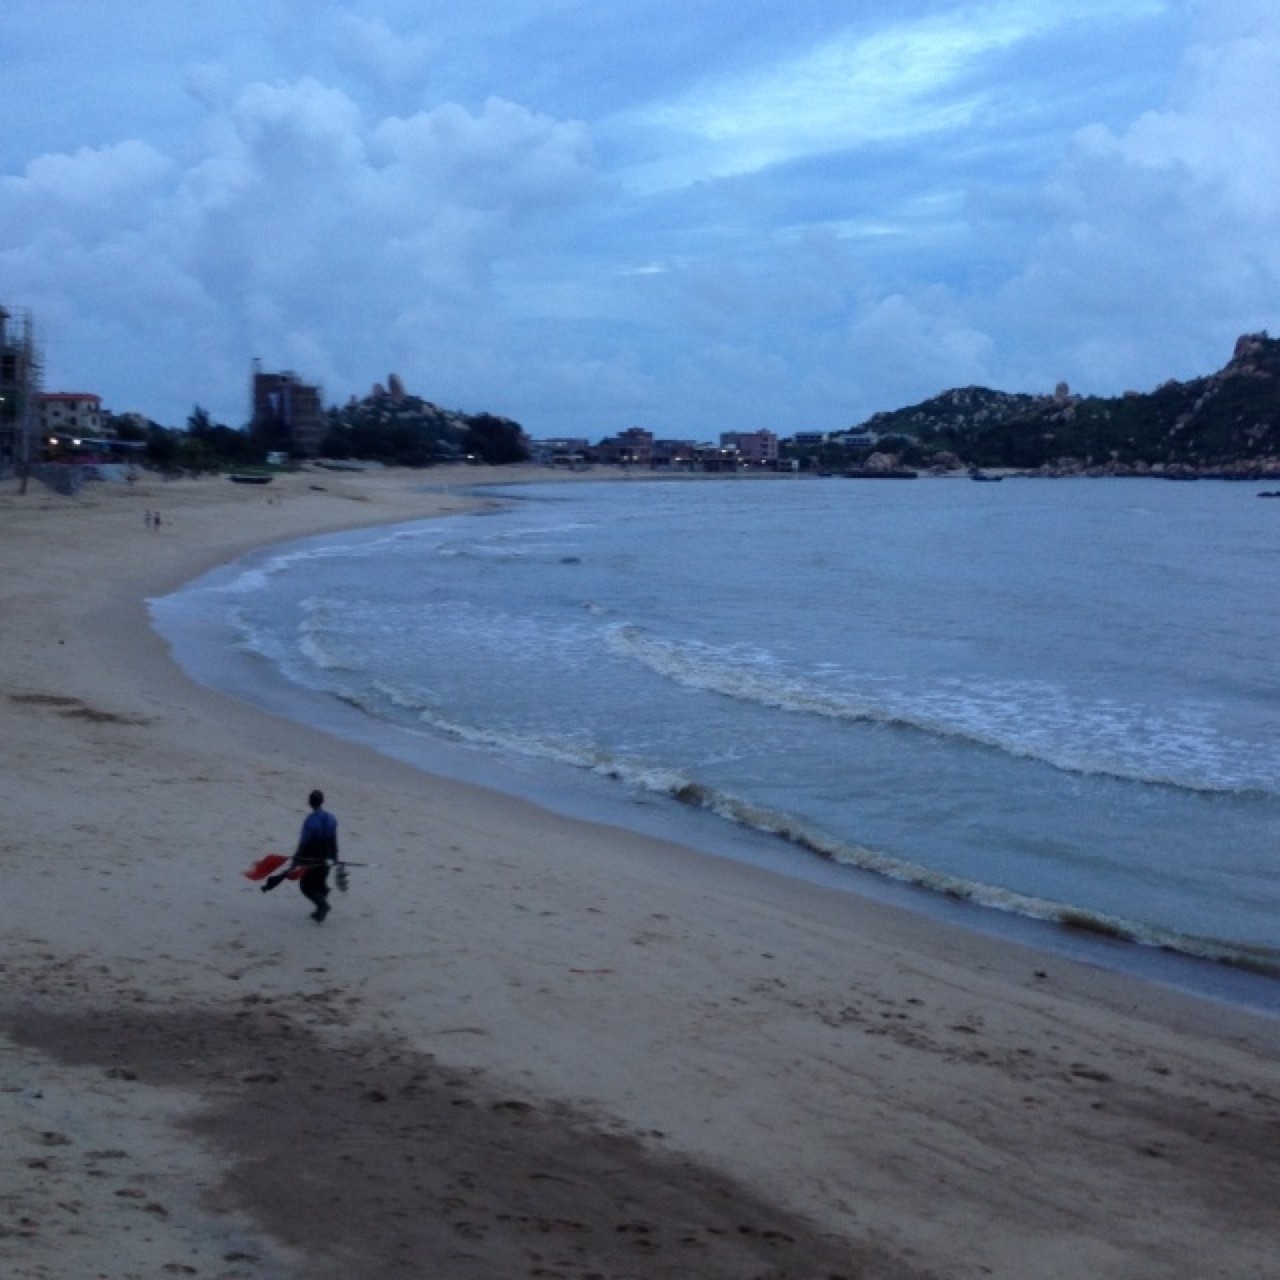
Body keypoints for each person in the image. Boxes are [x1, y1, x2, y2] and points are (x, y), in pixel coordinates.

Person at [264, 789, 339, 922]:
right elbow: (334, 840)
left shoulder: (310, 821)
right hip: (328, 855)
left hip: (313, 857)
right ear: (322, 801)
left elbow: (304, 842)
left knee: (306, 886)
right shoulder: (331, 818)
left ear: (310, 802)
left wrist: (297, 858)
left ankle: (323, 906)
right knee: (320, 881)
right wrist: (335, 857)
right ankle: (320, 906)